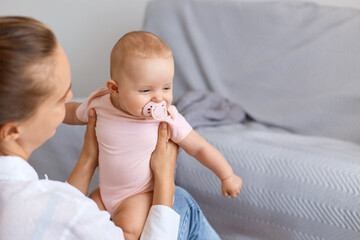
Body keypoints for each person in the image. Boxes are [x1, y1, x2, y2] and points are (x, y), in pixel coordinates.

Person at [0, 16, 221, 239]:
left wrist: (88, 158)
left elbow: (59, 209)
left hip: (130, 196)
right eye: (60, 99)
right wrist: (165, 178)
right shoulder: (48, 209)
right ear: (11, 131)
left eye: (166, 87)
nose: (70, 98)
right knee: (182, 201)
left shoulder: (39, 201)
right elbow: (63, 213)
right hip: (130, 201)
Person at [64, 31, 242, 239]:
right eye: (146, 90)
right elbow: (72, 113)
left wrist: (226, 174)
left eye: (166, 87)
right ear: (115, 89)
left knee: (127, 229)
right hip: (104, 194)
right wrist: (53, 109)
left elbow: (199, 147)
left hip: (139, 196)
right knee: (80, 219)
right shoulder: (100, 104)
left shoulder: (167, 117)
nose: (159, 99)